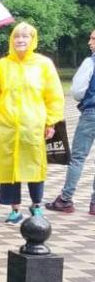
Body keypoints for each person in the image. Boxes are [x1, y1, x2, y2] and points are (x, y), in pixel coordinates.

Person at [0, 22, 64, 224]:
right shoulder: (1, 66)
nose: (21, 40)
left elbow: (54, 95)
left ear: (32, 40)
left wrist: (51, 122)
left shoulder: (44, 64)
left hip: (34, 127)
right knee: (10, 167)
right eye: (17, 36)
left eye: (25, 36)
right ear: (11, 39)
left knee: (35, 166)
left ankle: (36, 206)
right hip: (7, 126)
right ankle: (14, 209)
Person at [46, 29, 95, 215]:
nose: (90, 42)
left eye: (93, 39)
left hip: (91, 112)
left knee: (78, 157)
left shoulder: (90, 62)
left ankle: (65, 200)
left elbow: (77, 91)